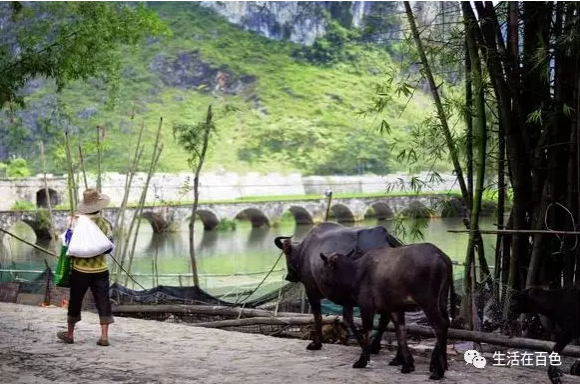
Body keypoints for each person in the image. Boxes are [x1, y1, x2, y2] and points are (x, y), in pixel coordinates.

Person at [57, 189, 115, 346]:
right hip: (101, 270)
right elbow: (109, 248)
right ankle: (104, 337)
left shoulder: (76, 222)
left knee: (75, 301)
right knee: (103, 301)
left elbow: (68, 244)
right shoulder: (104, 223)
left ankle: (69, 334)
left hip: (80, 270)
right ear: (99, 206)